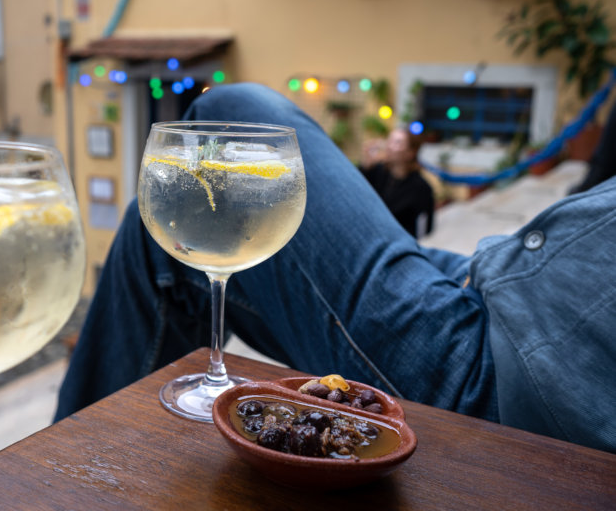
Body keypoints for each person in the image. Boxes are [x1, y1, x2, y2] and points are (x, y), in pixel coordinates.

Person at [55, 83, 616, 454]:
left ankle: (69, 466)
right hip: (520, 295)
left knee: (235, 108)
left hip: (509, 370)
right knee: (177, 214)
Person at [359, 127, 435, 237]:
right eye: (389, 141)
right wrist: (366, 166)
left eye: (397, 143)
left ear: (411, 152)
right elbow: (357, 197)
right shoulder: (376, 172)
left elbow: (425, 228)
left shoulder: (421, 188)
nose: (389, 146)